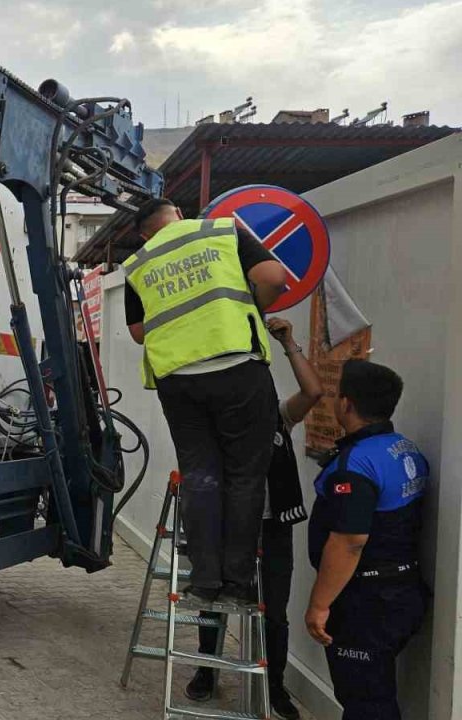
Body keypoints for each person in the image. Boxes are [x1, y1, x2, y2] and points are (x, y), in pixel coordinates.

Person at [123, 198, 289, 604]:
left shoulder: (138, 263)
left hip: (178, 380)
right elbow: (273, 276)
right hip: (236, 366)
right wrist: (249, 307)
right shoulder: (220, 231)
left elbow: (140, 332)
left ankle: (204, 581)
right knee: (245, 477)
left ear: (145, 233)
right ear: (178, 214)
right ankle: (236, 583)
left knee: (200, 475)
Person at [184, 317, 320, 720]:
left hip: (272, 528)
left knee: (274, 611)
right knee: (215, 601)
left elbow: (314, 391)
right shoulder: (216, 430)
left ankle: (274, 686)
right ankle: (207, 672)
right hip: (227, 529)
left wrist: (289, 342)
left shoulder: (280, 418)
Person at [304, 359, 429, 719]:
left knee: (365, 702)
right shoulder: (404, 448)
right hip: (402, 592)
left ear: (346, 404)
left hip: (367, 604)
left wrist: (319, 605)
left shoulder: (357, 464)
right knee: (374, 694)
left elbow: (350, 541)